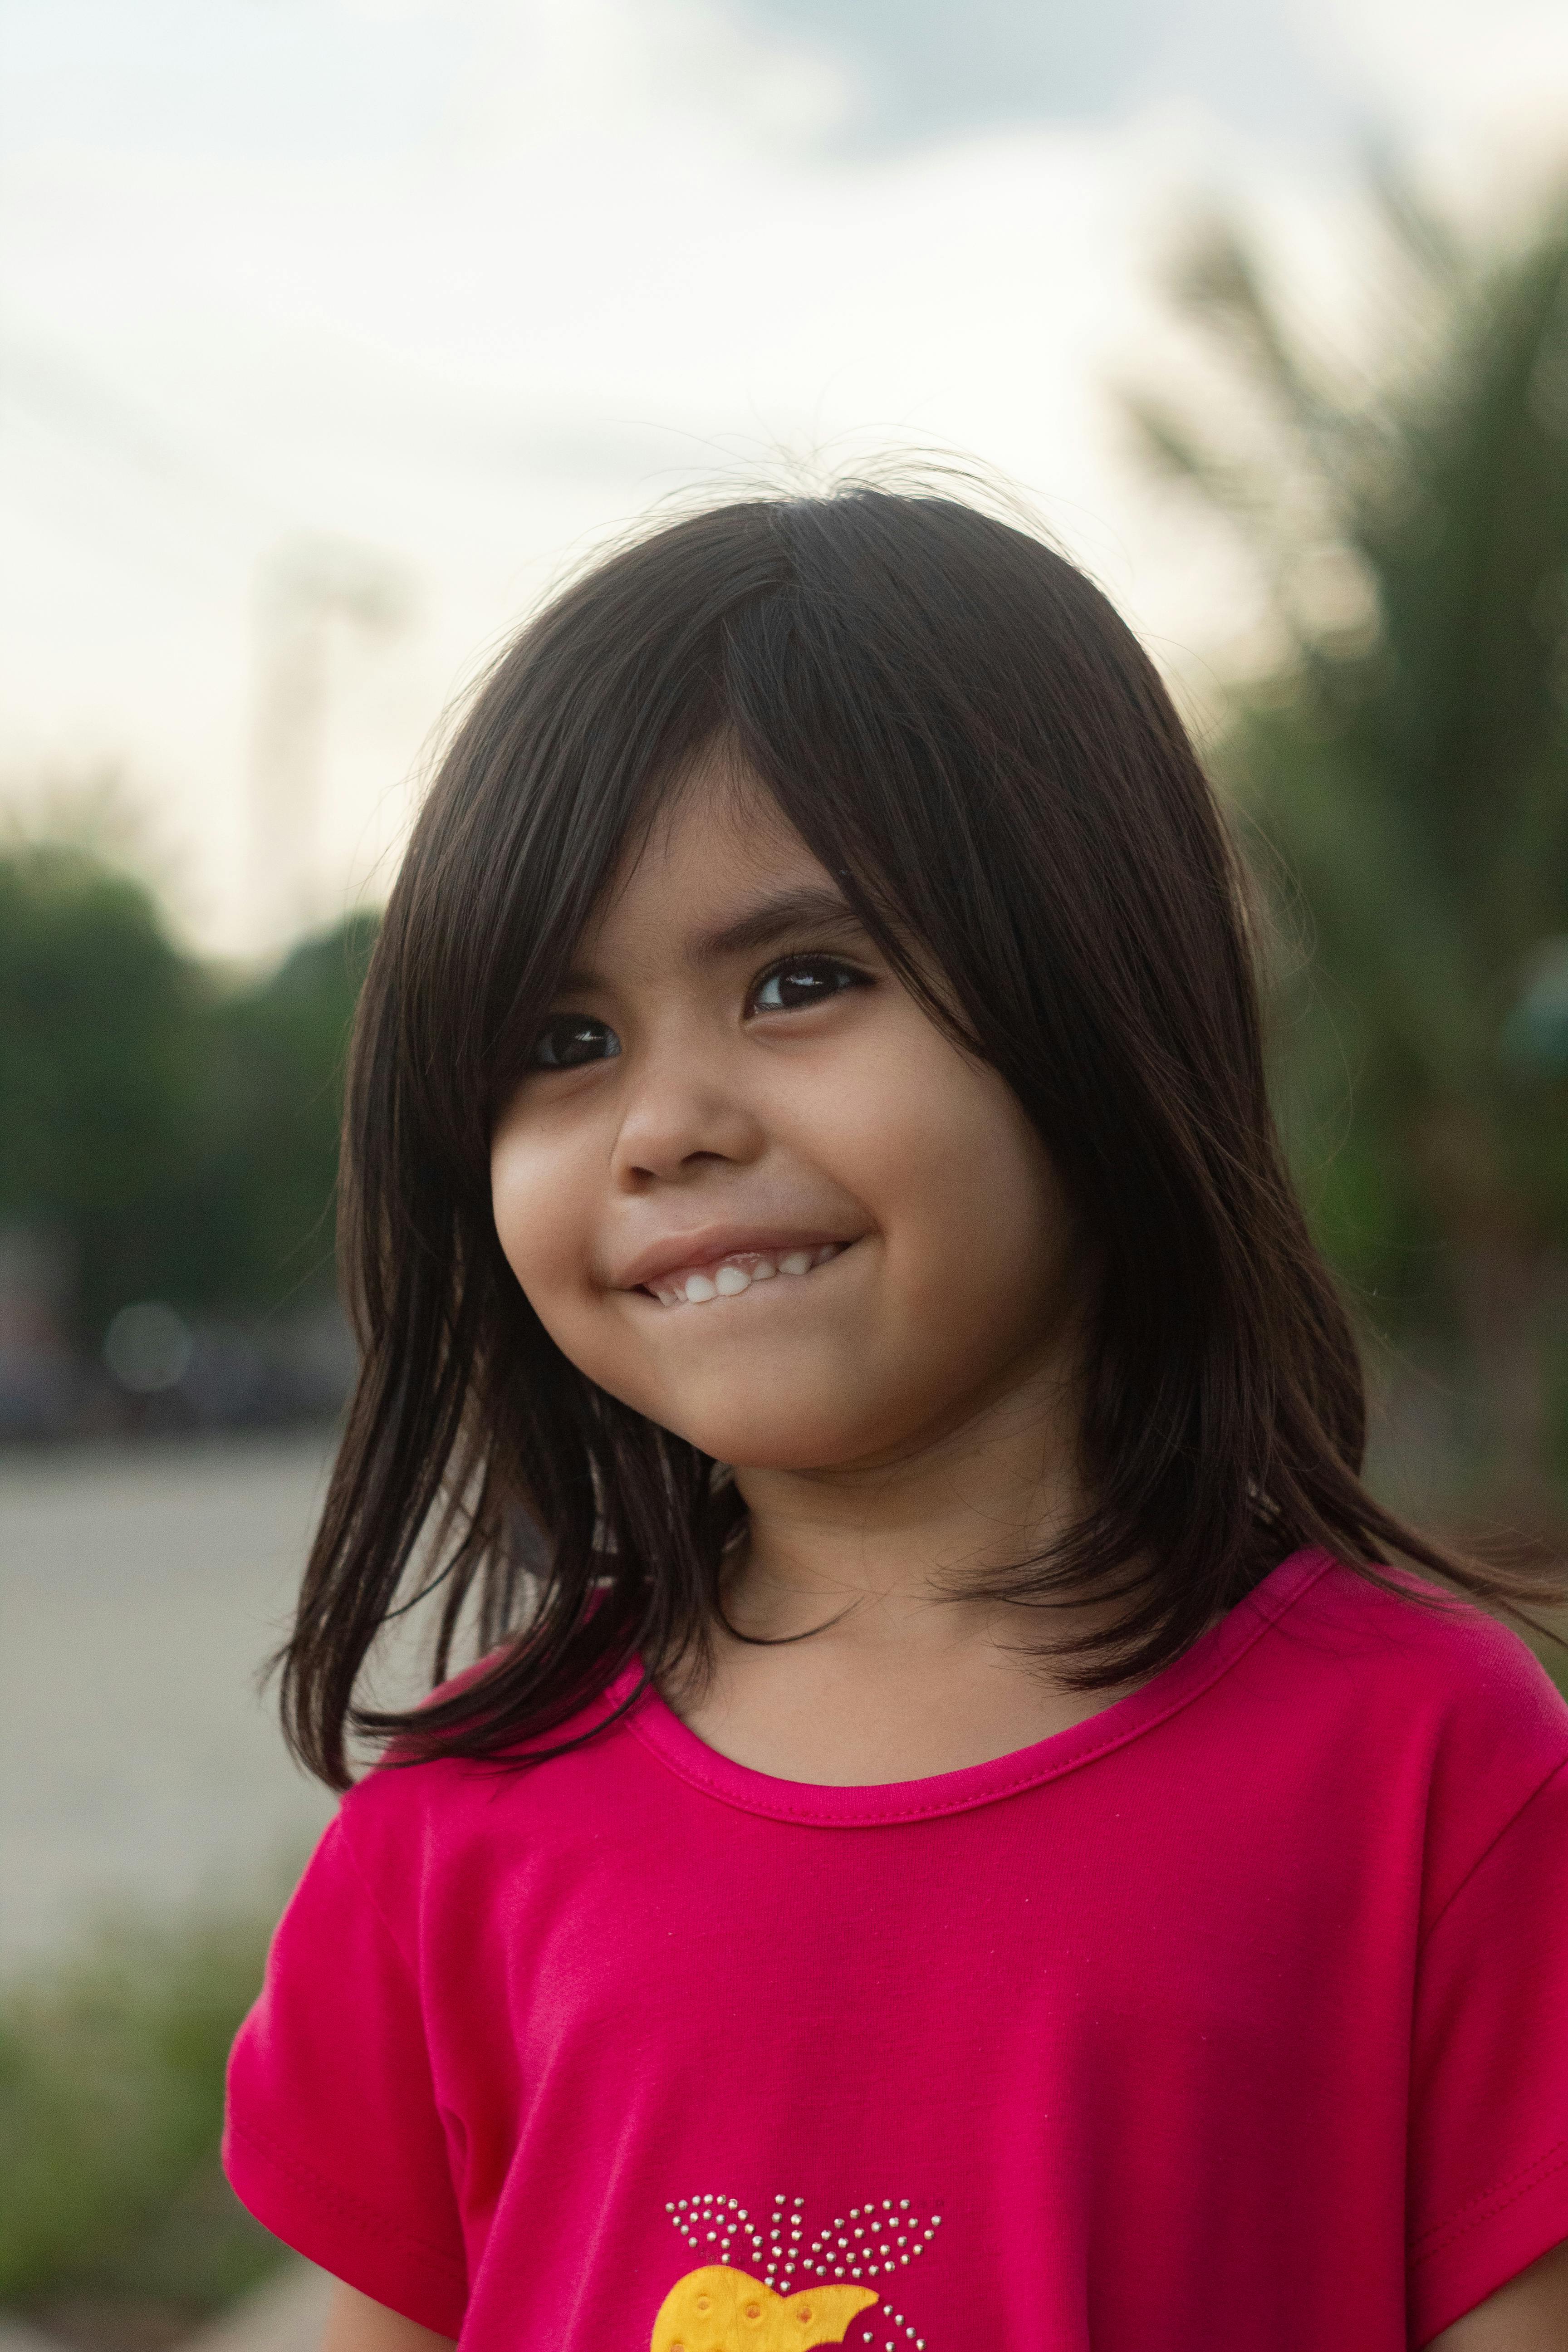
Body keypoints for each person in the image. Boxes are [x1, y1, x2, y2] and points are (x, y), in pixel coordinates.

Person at [224, 485, 1568, 2352]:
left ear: (1101, 1003)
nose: (665, 1122)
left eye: (800, 983)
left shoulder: (1434, 1770)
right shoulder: (463, 1818)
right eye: (561, 1042)